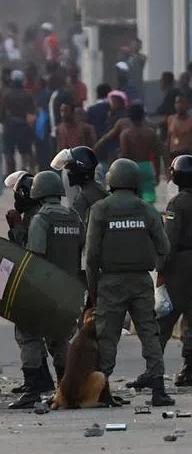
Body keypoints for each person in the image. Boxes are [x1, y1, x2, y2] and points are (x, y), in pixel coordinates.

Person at [84, 158, 174, 407]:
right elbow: (164, 247)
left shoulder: (100, 210)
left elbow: (91, 256)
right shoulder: (147, 210)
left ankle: (102, 391)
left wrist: (93, 291)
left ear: (111, 181)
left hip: (110, 282)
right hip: (141, 282)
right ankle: (158, 390)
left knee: (107, 337)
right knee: (149, 333)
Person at [9, 172, 85, 409]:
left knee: (27, 334)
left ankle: (33, 389)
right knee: (60, 338)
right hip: (68, 288)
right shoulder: (73, 217)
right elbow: (81, 246)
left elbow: (35, 258)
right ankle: (66, 387)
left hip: (44, 287)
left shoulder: (41, 219)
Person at [157, 154, 192, 387]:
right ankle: (189, 370)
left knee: (165, 319)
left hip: (180, 265)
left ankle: (154, 369)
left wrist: (160, 269)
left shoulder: (176, 204)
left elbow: (168, 240)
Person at [95, 104, 163, 204]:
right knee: (149, 200)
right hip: (146, 166)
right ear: (143, 116)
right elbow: (157, 156)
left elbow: (125, 155)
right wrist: (157, 175)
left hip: (131, 168)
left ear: (129, 117)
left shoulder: (125, 134)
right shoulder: (151, 133)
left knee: (133, 199)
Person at [52, 145, 106, 232]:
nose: (68, 173)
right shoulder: (102, 192)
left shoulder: (81, 201)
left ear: (80, 169)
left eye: (70, 169)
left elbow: (79, 233)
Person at [0, 70, 36, 174]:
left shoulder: (7, 95)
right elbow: (32, 112)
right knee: (26, 152)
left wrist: (3, 123)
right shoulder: (27, 95)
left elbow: (2, 113)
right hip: (24, 126)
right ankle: (27, 171)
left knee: (9, 152)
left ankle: (11, 173)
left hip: (10, 126)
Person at [167, 93, 192, 159]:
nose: (179, 105)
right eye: (177, 102)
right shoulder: (171, 119)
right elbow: (168, 139)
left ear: (188, 105)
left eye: (182, 102)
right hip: (173, 156)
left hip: (187, 156)